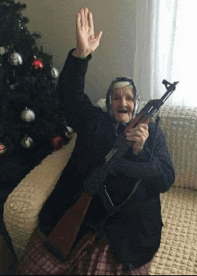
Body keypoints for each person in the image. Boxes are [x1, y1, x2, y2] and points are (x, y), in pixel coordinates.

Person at [39, 7, 175, 275]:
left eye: (128, 98)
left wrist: (139, 150)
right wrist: (81, 55)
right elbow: (68, 95)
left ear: (136, 104)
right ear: (109, 103)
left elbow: (165, 178)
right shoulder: (94, 121)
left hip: (126, 233)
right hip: (82, 217)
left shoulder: (153, 134)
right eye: (116, 97)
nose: (122, 103)